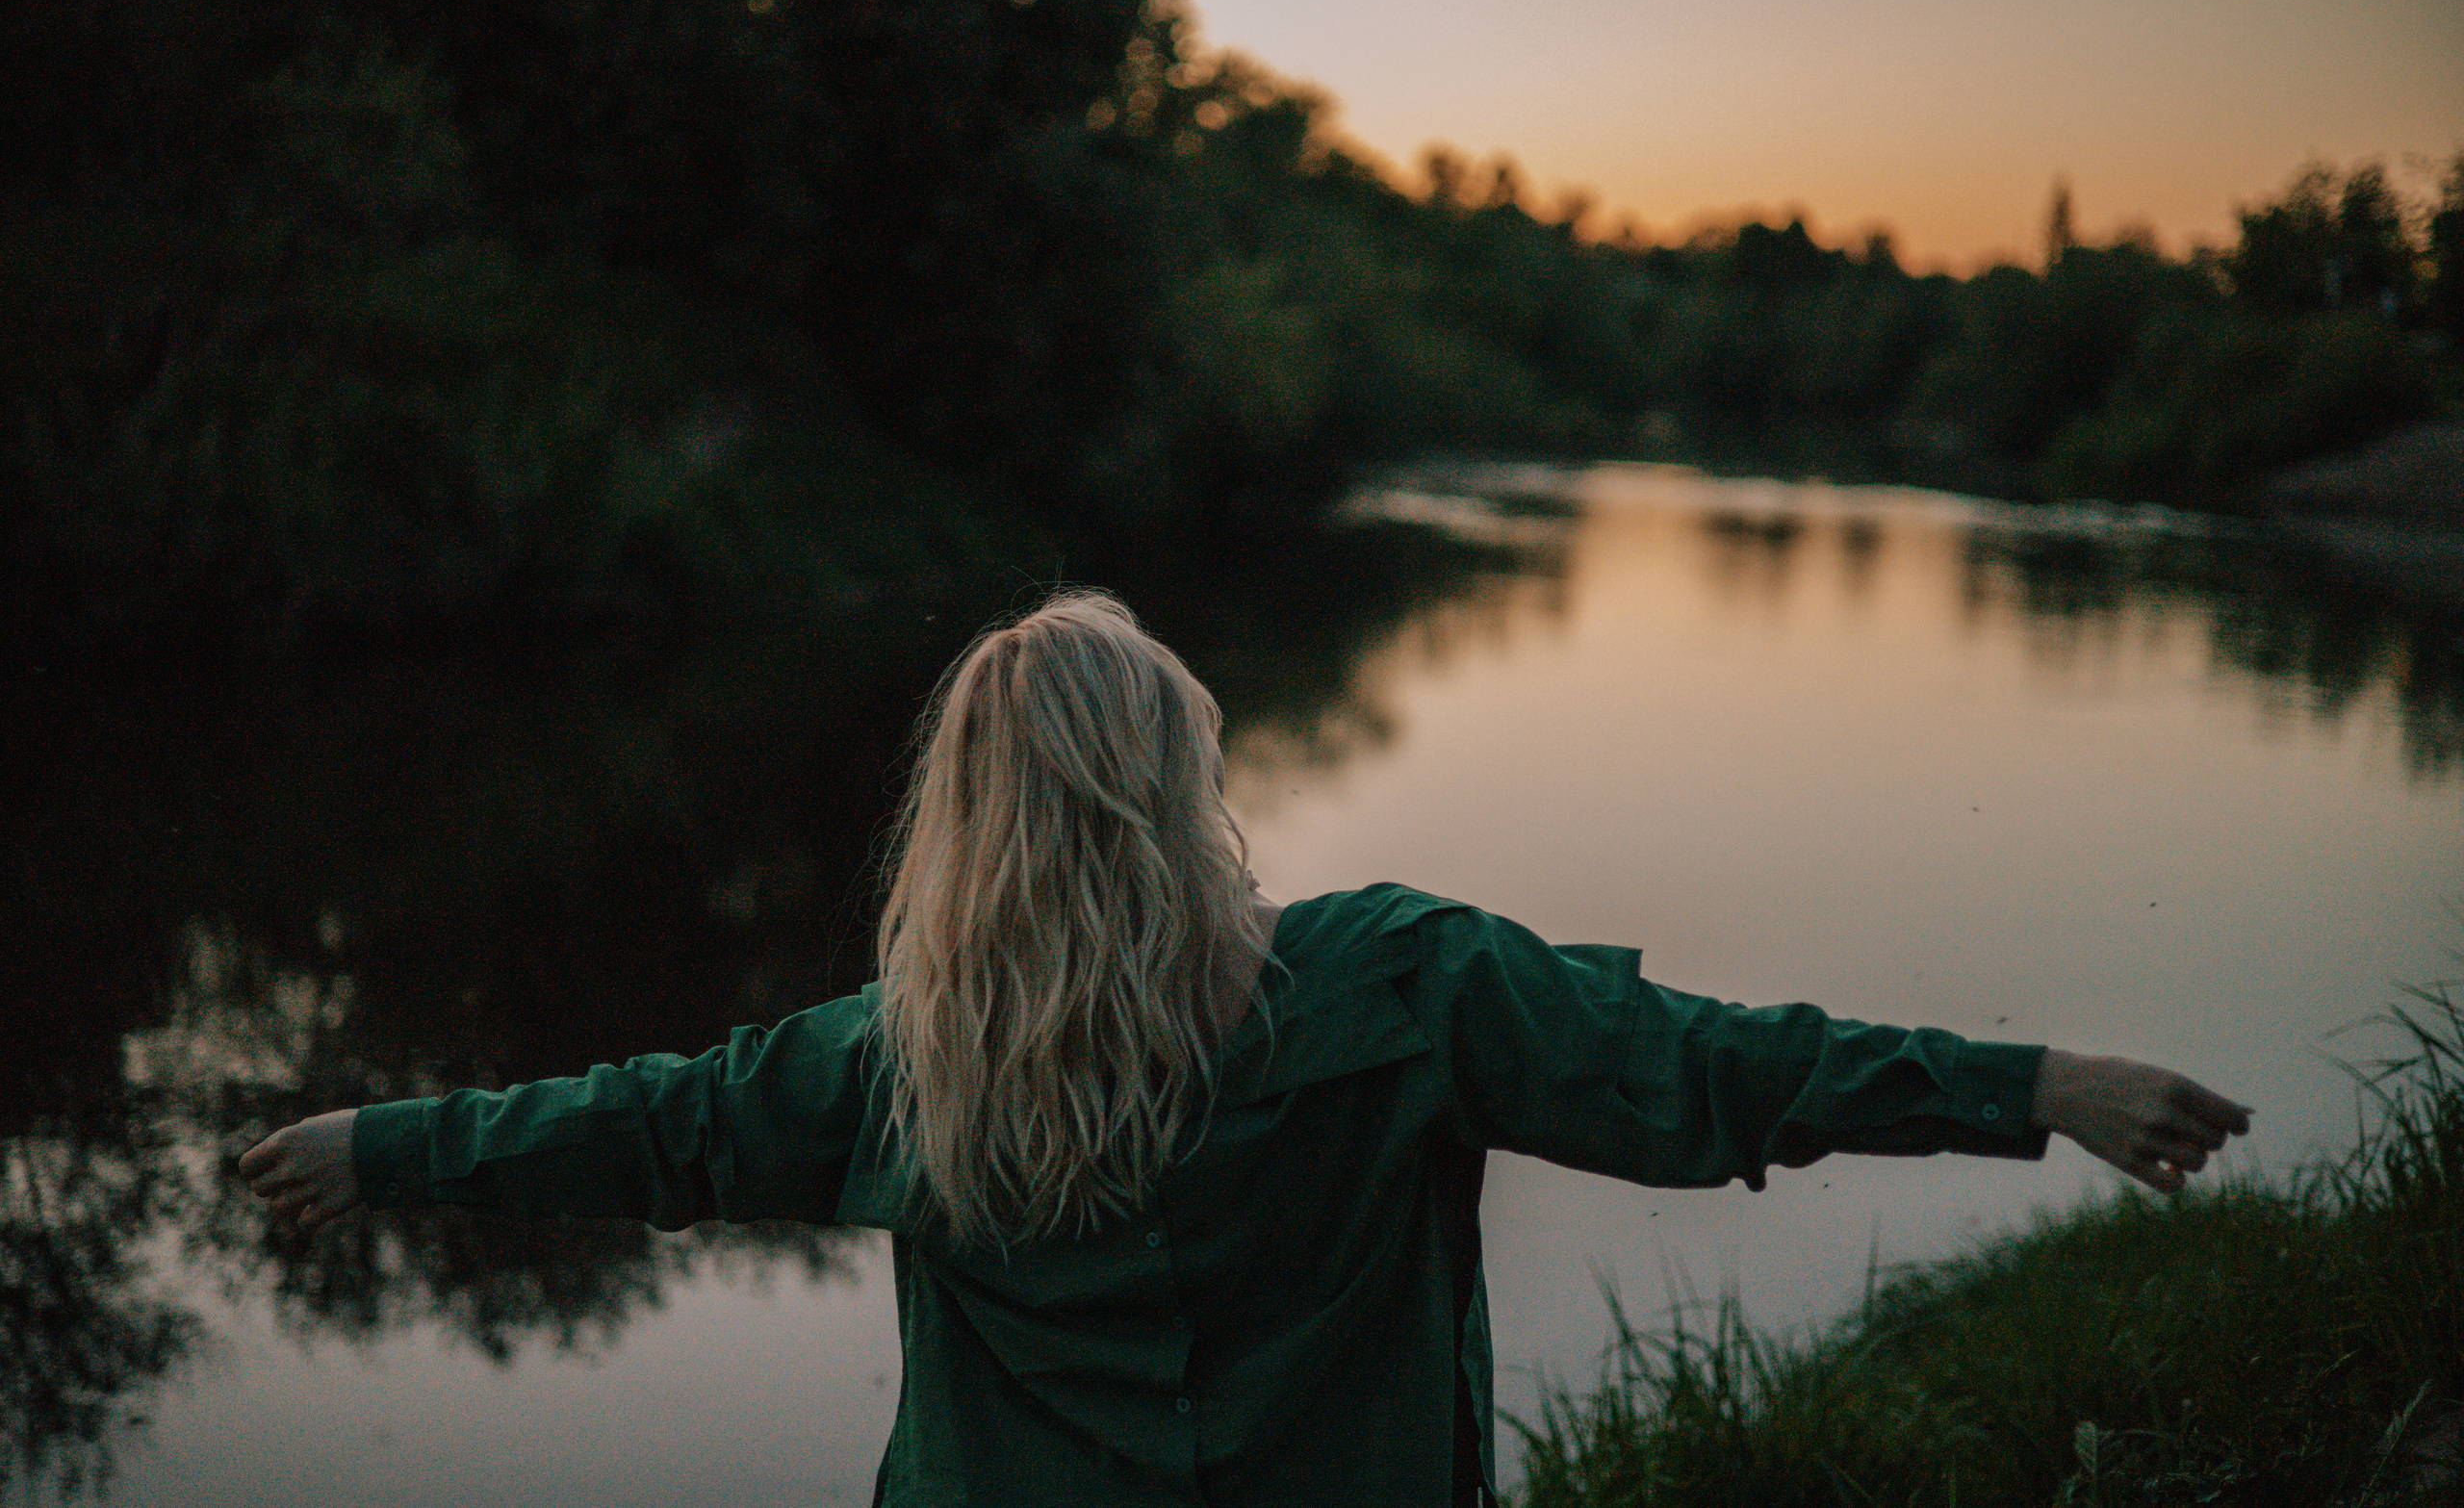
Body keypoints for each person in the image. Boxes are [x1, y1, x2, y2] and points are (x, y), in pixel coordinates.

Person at [241, 590, 2252, 1507]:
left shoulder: (897, 1061)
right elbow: (1705, 1069)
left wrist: (382, 1146)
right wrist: (2034, 1085)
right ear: (1181, 780)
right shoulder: (1395, 988)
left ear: (959, 825)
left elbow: (643, 1129)